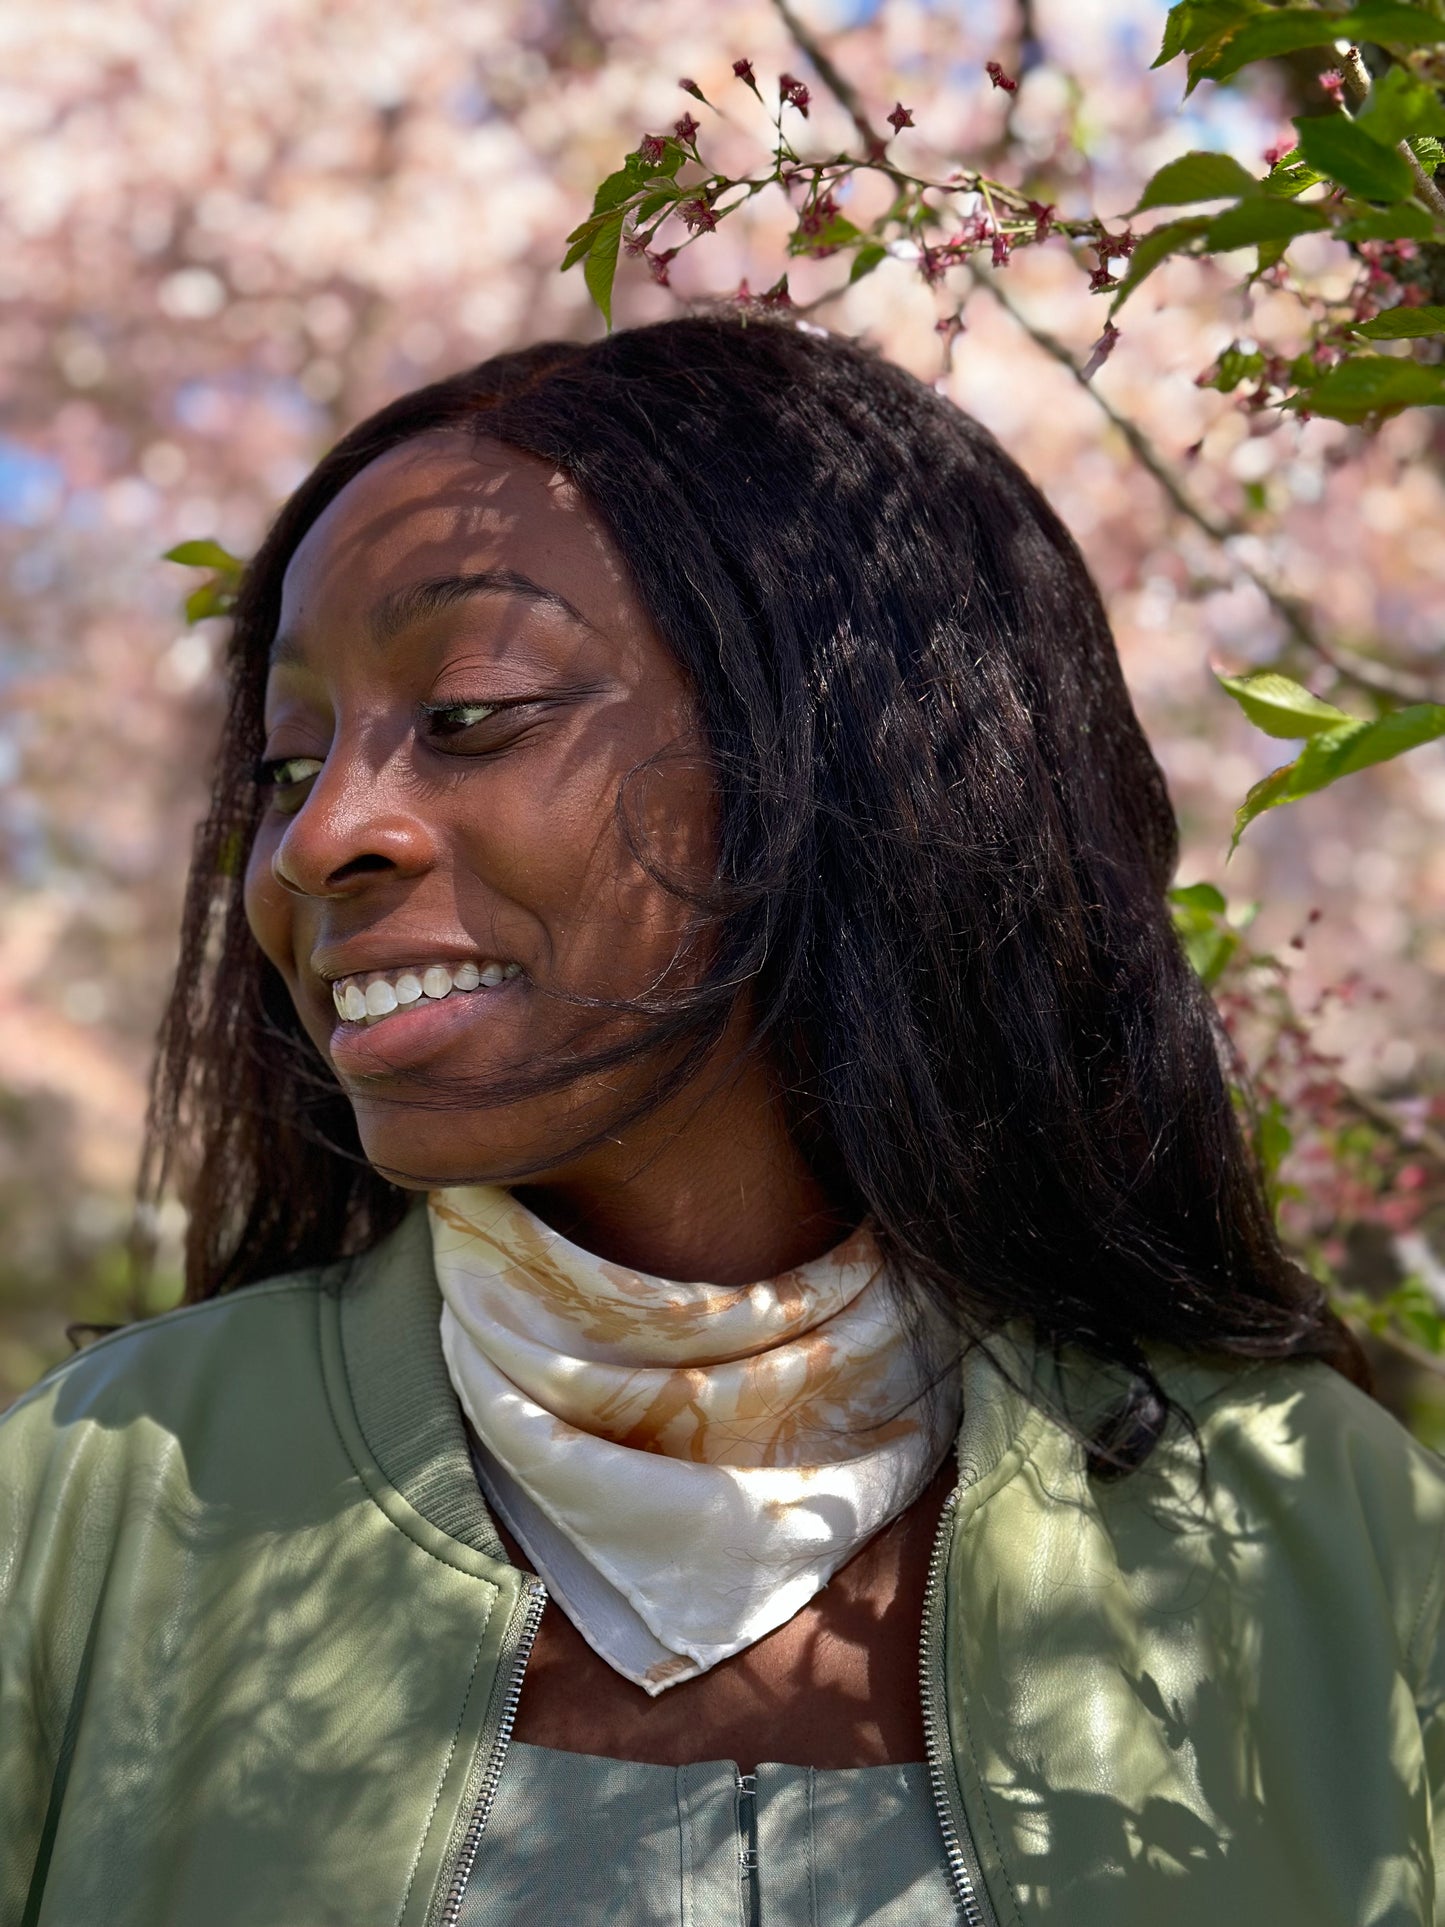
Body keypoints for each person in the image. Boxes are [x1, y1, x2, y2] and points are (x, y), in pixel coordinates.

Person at [2, 314, 1442, 1927]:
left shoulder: (1313, 1534)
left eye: (472, 711)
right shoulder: (87, 1510)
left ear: (850, 751)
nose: (321, 834)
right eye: (283, 760)